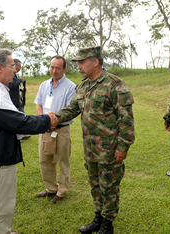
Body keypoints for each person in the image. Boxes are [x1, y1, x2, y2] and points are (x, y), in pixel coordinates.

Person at [49, 46, 135, 234]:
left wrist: (123, 146)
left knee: (109, 186)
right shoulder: (83, 86)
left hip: (110, 149)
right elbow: (72, 109)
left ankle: (107, 224)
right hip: (90, 149)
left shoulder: (114, 84)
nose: (78, 66)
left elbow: (126, 119)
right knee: (95, 185)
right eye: (77, 63)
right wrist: (55, 117)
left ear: (95, 61)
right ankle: (98, 217)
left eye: (82, 62)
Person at [0, 48, 54, 234]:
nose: (14, 70)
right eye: (11, 66)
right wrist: (47, 120)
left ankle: (2, 230)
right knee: (0, 205)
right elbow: (18, 122)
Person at [34, 55, 76, 204]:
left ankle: (62, 191)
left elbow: (71, 110)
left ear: (64, 69)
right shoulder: (44, 85)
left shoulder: (71, 87)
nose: (54, 70)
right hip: (45, 129)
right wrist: (42, 119)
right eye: (52, 67)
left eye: (58, 68)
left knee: (62, 161)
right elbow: (39, 104)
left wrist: (54, 121)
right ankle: (51, 188)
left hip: (61, 129)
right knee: (45, 159)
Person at [6, 59, 30, 140]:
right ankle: (17, 136)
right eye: (19, 66)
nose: (20, 68)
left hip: (18, 100)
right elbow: (10, 85)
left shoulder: (16, 75)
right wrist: (19, 80)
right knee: (15, 119)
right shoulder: (10, 75)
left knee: (23, 116)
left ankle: (23, 134)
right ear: (15, 66)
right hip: (13, 100)